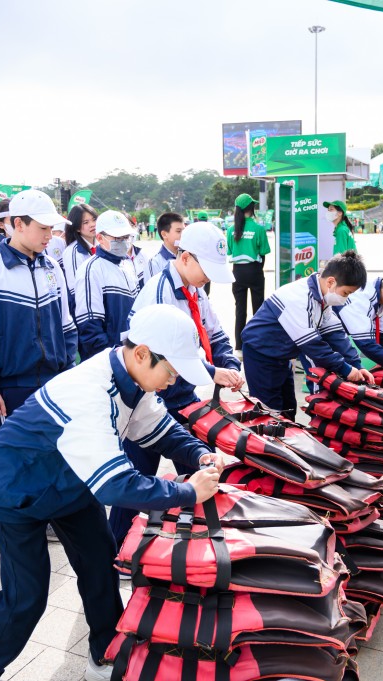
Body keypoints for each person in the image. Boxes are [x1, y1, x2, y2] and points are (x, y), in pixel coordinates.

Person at [0, 305, 223, 681]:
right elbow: (116, 485)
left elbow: (159, 428)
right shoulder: (90, 390)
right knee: (26, 597)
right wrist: (186, 492)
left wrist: (199, 453)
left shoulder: (133, 378)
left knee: (100, 565)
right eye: (171, 369)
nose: (174, 378)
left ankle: (105, 653)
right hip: (16, 487)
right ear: (143, 353)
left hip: (72, 483)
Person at [109, 221, 243, 547]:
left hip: (179, 389)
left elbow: (214, 331)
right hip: (147, 391)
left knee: (200, 464)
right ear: (185, 258)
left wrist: (228, 362)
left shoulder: (195, 289)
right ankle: (118, 549)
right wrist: (211, 372)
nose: (209, 277)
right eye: (206, 269)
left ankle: (198, 540)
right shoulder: (160, 292)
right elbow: (162, 355)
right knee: (137, 476)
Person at [0, 189, 78, 420]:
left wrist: (68, 374)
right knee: (18, 455)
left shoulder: (53, 268)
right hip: (12, 388)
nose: (50, 235)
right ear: (19, 224)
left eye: (51, 228)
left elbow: (67, 327)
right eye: (43, 228)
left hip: (55, 384)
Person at [241, 250, 374, 419]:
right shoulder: (299, 298)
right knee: (269, 413)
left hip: (281, 355)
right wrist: (346, 369)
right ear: (331, 282)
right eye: (346, 293)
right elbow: (313, 346)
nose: (345, 299)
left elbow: (335, 334)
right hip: (261, 355)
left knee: (288, 409)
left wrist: (357, 365)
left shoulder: (322, 297)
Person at [74, 210, 142, 359]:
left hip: (130, 357)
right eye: (118, 238)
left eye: (126, 237)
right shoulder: (91, 270)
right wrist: (110, 361)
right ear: (100, 238)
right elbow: (90, 327)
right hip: (109, 361)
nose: (124, 241)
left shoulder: (128, 264)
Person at [227, 193, 270, 352]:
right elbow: (264, 251)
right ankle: (258, 344)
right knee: (258, 310)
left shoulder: (231, 230)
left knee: (240, 310)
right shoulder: (258, 228)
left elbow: (230, 251)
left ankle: (239, 345)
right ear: (251, 208)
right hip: (254, 270)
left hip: (237, 272)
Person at [61, 204, 98, 312]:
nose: (92, 225)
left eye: (94, 220)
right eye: (85, 222)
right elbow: (76, 290)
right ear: (77, 227)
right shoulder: (73, 252)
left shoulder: (101, 245)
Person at [146, 212, 184, 278]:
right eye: (178, 231)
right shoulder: (155, 263)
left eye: (184, 231)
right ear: (164, 234)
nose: (183, 234)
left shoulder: (187, 256)